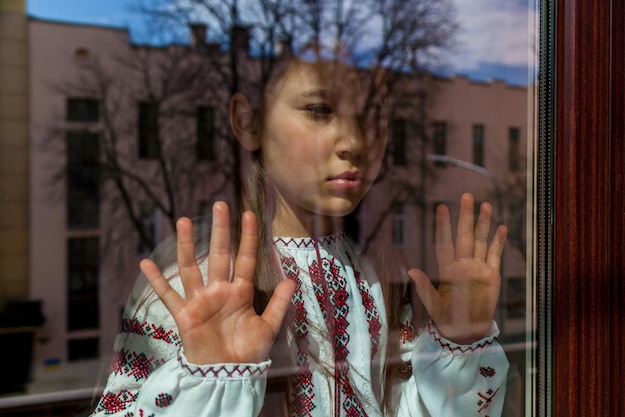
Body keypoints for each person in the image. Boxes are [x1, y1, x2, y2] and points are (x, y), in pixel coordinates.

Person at [91, 51, 509, 417]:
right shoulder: (201, 280)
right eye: (320, 109)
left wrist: (463, 344)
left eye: (372, 116)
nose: (355, 141)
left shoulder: (373, 275)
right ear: (247, 121)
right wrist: (208, 377)